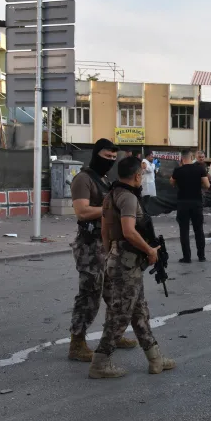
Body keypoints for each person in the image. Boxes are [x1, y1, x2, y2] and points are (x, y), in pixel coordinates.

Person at [89, 156, 176, 379]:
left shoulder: (111, 195)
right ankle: (100, 362)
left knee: (140, 313)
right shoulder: (127, 198)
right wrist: (149, 250)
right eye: (141, 176)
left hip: (120, 259)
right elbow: (128, 230)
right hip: (126, 262)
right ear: (138, 175)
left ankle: (155, 360)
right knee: (120, 315)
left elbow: (105, 231)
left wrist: (111, 252)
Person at [67, 138, 137, 361]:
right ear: (97, 154)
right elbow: (82, 212)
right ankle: (77, 343)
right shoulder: (83, 179)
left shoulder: (104, 179)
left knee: (112, 292)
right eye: (107, 157)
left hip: (105, 243)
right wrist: (110, 208)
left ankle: (114, 334)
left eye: (113, 158)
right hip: (89, 245)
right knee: (89, 294)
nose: (110, 161)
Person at [170, 149, 210, 263]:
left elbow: (172, 182)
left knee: (184, 231)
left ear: (182, 158)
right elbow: (207, 185)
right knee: (199, 229)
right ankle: (201, 256)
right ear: (192, 157)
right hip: (196, 202)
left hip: (183, 203)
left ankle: (187, 257)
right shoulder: (200, 169)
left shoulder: (178, 170)